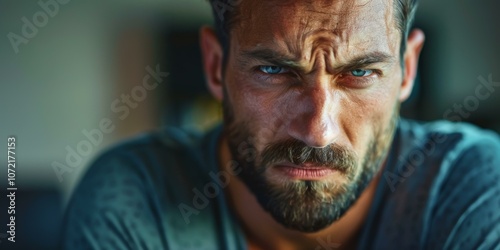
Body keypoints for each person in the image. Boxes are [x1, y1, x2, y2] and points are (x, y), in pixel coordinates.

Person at [62, 0, 500, 249]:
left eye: (361, 73)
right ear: (215, 67)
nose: (317, 131)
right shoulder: (133, 203)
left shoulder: (477, 191)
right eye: (273, 71)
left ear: (407, 70)